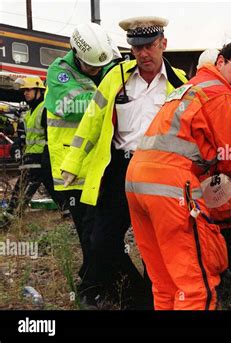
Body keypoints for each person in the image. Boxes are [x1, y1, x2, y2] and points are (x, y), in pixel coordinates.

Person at [125, 41, 231, 310]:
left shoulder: (187, 88)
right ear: (221, 62)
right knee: (195, 286)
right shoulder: (218, 94)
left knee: (165, 283)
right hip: (171, 187)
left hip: (137, 182)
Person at [60, 16, 188, 309]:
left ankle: (156, 297)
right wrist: (72, 164)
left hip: (159, 173)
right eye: (137, 47)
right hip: (119, 169)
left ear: (163, 44)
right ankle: (135, 292)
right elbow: (91, 122)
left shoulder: (180, 84)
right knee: (102, 240)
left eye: (150, 46)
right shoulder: (116, 78)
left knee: (156, 242)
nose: (143, 54)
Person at [44, 22, 120, 303]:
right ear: (75, 52)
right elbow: (70, 106)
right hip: (72, 169)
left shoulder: (103, 64)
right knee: (90, 233)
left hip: (97, 166)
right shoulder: (59, 72)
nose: (95, 71)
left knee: (99, 231)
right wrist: (109, 95)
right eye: (89, 67)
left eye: (98, 67)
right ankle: (92, 289)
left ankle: (94, 280)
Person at [2, 77, 64, 223]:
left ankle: (12, 215)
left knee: (23, 185)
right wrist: (16, 145)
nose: (25, 93)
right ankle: (67, 210)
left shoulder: (45, 109)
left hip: (40, 157)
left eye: (28, 90)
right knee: (51, 185)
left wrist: (47, 156)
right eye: (24, 91)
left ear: (39, 90)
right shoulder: (29, 113)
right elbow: (24, 136)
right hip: (31, 156)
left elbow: (52, 135)